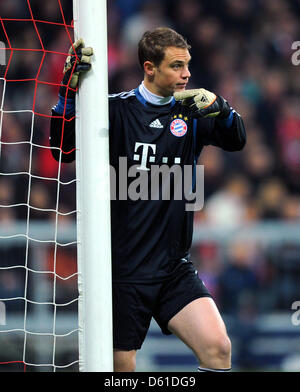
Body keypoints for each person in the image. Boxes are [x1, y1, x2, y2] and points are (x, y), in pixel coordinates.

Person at [49, 27, 246, 372]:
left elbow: (237, 140)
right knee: (119, 366)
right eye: (176, 66)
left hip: (173, 267)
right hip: (123, 271)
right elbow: (62, 150)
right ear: (149, 68)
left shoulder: (190, 113)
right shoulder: (113, 110)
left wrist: (221, 106)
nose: (186, 74)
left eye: (187, 65)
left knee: (218, 348)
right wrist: (67, 94)